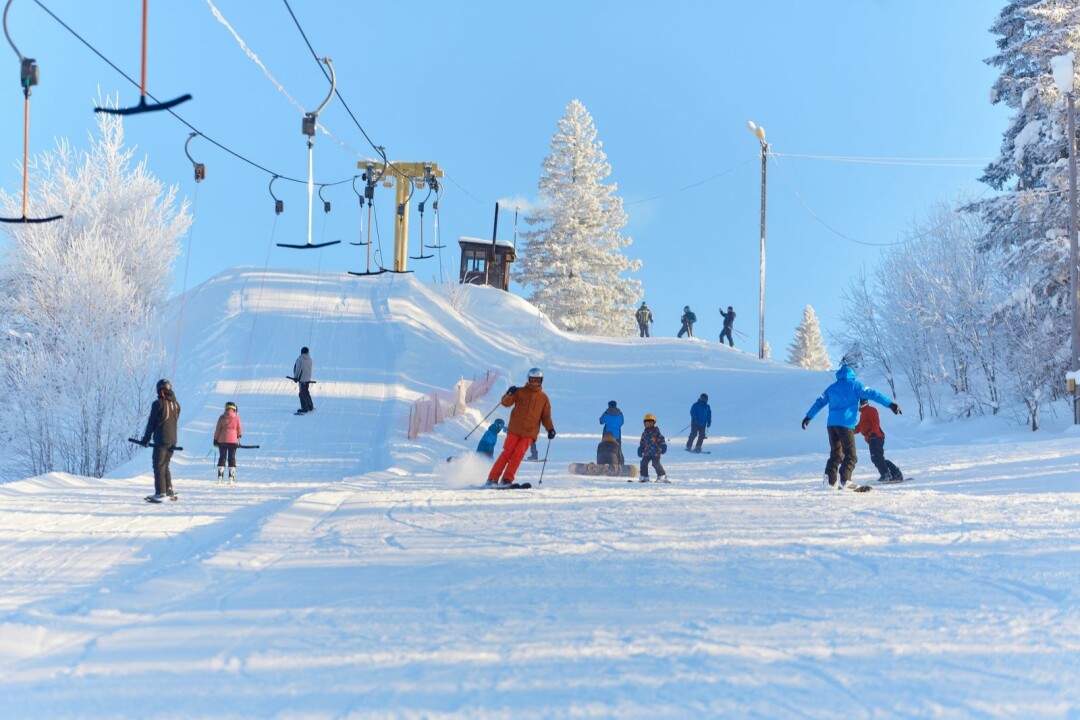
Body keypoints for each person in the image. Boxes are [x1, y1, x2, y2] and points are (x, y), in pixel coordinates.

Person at [801, 364, 901, 490]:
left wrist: (809, 416)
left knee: (836, 454)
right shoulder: (856, 385)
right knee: (851, 455)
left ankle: (830, 481)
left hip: (831, 425)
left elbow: (819, 402)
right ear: (852, 375)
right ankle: (845, 480)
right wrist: (890, 404)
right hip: (845, 424)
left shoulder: (832, 388)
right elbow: (873, 394)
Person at [487, 368, 555, 485]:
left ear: (541, 381)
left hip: (530, 432)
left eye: (538, 380)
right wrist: (509, 393)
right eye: (532, 380)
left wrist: (550, 429)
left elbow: (546, 417)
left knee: (518, 455)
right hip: (515, 429)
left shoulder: (544, 398)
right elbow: (505, 403)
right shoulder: (520, 392)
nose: (535, 382)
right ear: (528, 380)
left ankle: (507, 479)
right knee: (507, 453)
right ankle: (492, 478)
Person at [140, 378, 180, 501]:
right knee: (165, 465)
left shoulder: (158, 404)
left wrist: (146, 439)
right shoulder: (176, 405)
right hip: (173, 440)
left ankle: (160, 492)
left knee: (158, 465)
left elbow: (151, 423)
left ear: (160, 390)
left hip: (161, 439)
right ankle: (168, 489)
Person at [855, 399, 903, 482]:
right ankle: (895, 473)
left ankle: (886, 475)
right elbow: (859, 427)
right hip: (872, 438)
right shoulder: (863, 414)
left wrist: (874, 434)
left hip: (876, 437)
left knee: (876, 457)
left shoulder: (871, 410)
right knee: (878, 458)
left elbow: (875, 422)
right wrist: (848, 432)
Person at [213, 401, 243, 484]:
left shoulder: (222, 417)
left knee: (222, 457)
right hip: (233, 441)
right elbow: (239, 429)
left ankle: (220, 477)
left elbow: (217, 430)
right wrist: (239, 436)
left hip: (222, 441)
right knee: (232, 458)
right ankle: (231, 478)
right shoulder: (237, 417)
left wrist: (215, 439)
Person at [637, 413, 668, 482]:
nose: (648, 424)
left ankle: (662, 476)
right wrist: (640, 448)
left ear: (653, 423)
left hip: (656, 452)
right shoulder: (644, 433)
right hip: (646, 452)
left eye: (650, 423)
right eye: (646, 423)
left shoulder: (656, 432)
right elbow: (642, 442)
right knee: (643, 463)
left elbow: (661, 439)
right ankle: (644, 476)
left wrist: (663, 445)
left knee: (655, 463)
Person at [293, 346, 314, 414]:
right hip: (308, 378)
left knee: (302, 393)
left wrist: (295, 377)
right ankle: (310, 406)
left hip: (302, 379)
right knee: (306, 392)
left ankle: (304, 408)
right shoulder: (310, 359)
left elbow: (297, 369)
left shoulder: (300, 359)